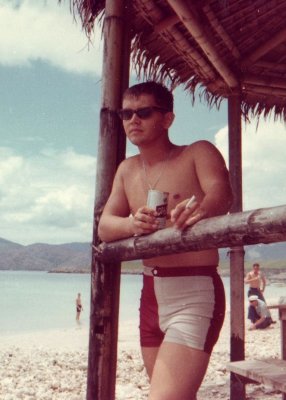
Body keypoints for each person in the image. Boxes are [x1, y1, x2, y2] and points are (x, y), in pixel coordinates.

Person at [98, 81, 233, 400]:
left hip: (194, 292)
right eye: (126, 113)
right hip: (150, 295)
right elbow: (105, 226)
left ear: (167, 119)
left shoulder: (196, 152)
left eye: (143, 112)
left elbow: (221, 193)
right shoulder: (127, 170)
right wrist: (133, 223)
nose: (133, 120)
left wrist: (201, 209)